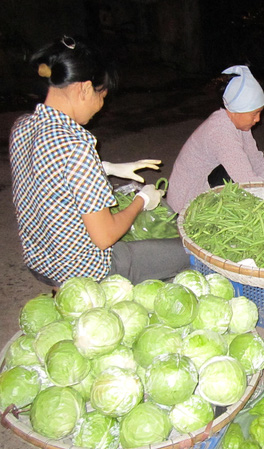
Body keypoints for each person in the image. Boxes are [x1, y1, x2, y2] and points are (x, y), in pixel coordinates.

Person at [9, 35, 191, 287]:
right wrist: (142, 200)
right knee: (192, 250)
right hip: (84, 272)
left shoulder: (23, 126)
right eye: (101, 96)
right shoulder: (77, 146)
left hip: (40, 262)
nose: (102, 106)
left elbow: (45, 173)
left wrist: (106, 168)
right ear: (83, 88)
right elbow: (105, 237)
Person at [167, 65, 264, 214]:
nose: (258, 119)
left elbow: (256, 161)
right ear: (236, 110)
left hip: (205, 185)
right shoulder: (220, 132)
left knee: (246, 168)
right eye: (254, 113)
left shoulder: (238, 124)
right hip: (186, 204)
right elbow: (247, 181)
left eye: (259, 112)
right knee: (244, 190)